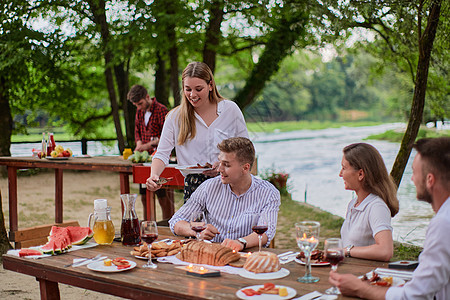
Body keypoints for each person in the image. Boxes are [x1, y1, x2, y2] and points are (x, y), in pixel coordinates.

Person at [329, 137, 450, 300]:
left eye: (414, 172)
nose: (412, 179)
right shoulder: (444, 218)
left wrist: (360, 288)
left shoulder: (443, 224)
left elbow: (415, 295)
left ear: (430, 180)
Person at [146, 62, 248, 202]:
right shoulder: (175, 117)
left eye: (199, 89)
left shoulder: (230, 110)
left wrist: (224, 164)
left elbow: (246, 149)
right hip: (194, 188)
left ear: (210, 85)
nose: (192, 95)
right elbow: (162, 153)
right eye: (188, 89)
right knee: (194, 224)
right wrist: (154, 175)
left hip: (230, 185)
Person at [169, 137, 280, 251]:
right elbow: (175, 222)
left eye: (226, 165)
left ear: (245, 168)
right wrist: (196, 230)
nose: (219, 169)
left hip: (245, 258)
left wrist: (240, 242)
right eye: (219, 162)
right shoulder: (208, 187)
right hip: (211, 257)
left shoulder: (268, 193)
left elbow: (266, 233)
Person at [339, 143, 399, 261]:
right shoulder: (353, 204)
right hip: (350, 272)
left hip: (366, 276)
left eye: (344, 168)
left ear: (360, 174)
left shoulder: (376, 207)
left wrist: (346, 251)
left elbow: (385, 251)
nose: (340, 174)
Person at [127, 84, 173, 219]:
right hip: (145, 160)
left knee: (163, 196)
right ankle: (148, 224)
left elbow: (167, 138)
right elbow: (137, 132)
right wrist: (139, 144)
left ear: (147, 97)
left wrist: (147, 145)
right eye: (136, 105)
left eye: (140, 103)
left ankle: (169, 223)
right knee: (144, 195)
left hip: (161, 159)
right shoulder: (139, 111)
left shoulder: (162, 110)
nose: (139, 107)